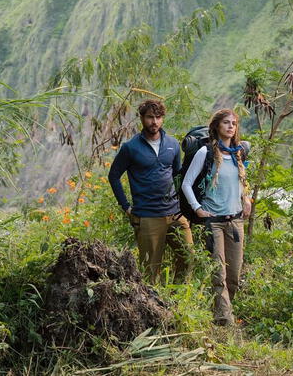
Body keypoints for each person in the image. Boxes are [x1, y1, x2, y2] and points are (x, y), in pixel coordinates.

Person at [108, 99, 193, 283]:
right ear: (142, 118)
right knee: (150, 271)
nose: (154, 122)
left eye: (158, 117)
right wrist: (126, 207)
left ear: (163, 119)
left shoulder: (172, 144)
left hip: (175, 214)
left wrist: (183, 205)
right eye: (150, 117)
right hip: (147, 216)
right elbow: (113, 176)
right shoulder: (130, 148)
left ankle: (177, 298)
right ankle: (154, 305)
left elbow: (177, 176)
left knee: (189, 257)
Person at [181, 108, 251, 326]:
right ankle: (225, 322)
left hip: (235, 221)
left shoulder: (238, 153)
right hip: (214, 222)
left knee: (234, 276)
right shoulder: (206, 153)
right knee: (218, 274)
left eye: (234, 123)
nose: (231, 127)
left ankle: (221, 313)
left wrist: (246, 198)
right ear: (216, 127)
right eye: (226, 123)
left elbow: (239, 181)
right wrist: (197, 208)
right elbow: (186, 184)